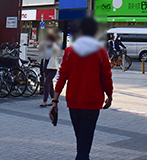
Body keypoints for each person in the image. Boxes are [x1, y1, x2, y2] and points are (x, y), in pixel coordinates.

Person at [50, 18, 113, 160]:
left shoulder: (70, 51)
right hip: (92, 103)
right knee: (84, 144)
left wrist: (55, 100)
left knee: (81, 140)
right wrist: (109, 95)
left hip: (74, 103)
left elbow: (62, 76)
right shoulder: (101, 52)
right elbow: (106, 78)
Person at [39, 33, 61, 107]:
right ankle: (53, 99)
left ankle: (44, 101)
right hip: (46, 65)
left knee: (46, 83)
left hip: (52, 66)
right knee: (50, 84)